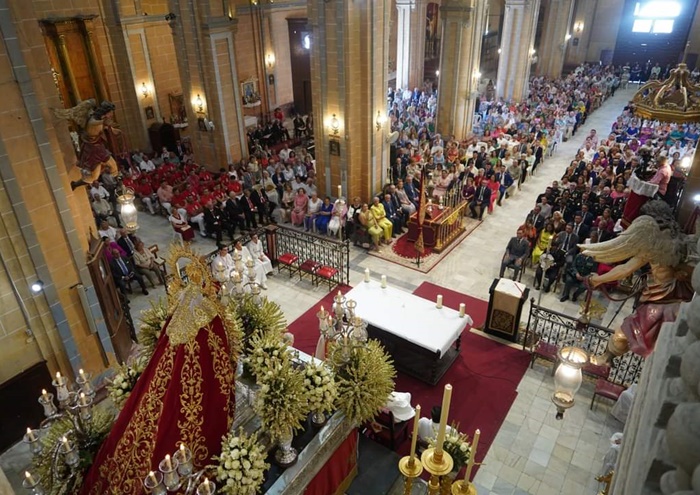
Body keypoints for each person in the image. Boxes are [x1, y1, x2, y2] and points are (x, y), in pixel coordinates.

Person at [81, 248, 238, 494]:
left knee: (154, 404)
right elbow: (217, 360)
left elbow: (168, 346)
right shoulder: (206, 313)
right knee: (184, 415)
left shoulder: (181, 306)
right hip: (194, 379)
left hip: (169, 370)